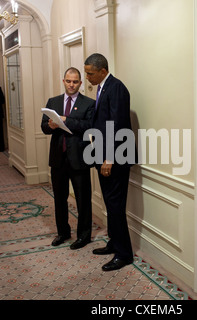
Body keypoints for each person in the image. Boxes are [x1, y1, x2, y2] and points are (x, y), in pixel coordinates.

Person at [84, 53, 135, 271]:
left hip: (116, 158)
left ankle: (124, 254)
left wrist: (109, 157)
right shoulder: (103, 86)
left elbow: (118, 125)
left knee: (115, 206)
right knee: (110, 204)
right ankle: (114, 243)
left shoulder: (117, 88)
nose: (87, 77)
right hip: (105, 154)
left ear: (103, 71)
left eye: (90, 73)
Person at [41, 67, 96, 250]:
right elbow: (44, 127)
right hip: (58, 158)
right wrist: (50, 125)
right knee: (59, 198)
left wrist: (66, 120)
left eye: (75, 81)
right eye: (68, 81)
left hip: (79, 158)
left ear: (80, 83)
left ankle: (84, 236)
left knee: (83, 199)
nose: (71, 84)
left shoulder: (89, 103)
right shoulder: (53, 101)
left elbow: (89, 126)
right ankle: (63, 232)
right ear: (63, 81)